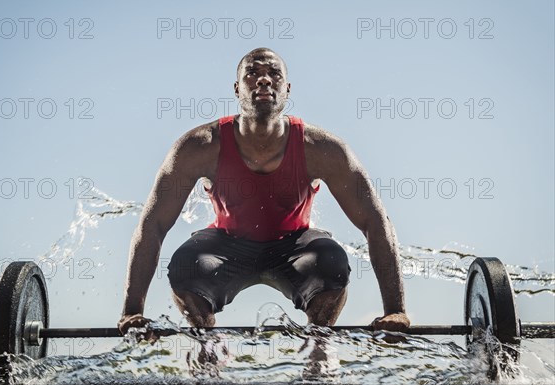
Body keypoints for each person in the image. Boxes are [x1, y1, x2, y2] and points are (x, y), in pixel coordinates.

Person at [118, 48, 410, 341]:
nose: (264, 81)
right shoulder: (200, 147)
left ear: (287, 89)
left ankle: (319, 349)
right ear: (237, 88)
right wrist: (131, 311)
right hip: (226, 244)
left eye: (274, 74)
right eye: (253, 73)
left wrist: (395, 311)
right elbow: (152, 225)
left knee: (331, 263)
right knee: (184, 267)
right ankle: (207, 348)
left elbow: (375, 221)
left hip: (295, 246)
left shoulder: (322, 149)